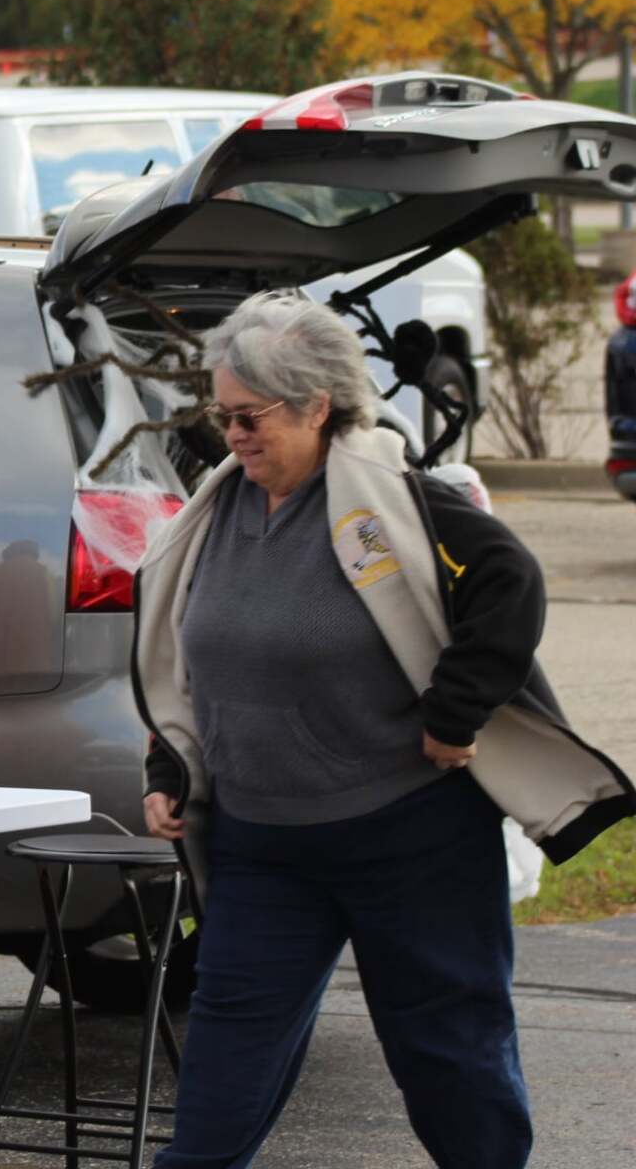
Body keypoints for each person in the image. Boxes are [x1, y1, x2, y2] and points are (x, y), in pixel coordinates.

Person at [136, 290, 634, 1169]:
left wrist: (453, 715)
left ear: (316, 406)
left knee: (448, 1058)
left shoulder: (391, 503)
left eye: (249, 416)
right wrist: (170, 768)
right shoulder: (217, 513)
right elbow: (190, 660)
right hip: (263, 842)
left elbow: (510, 582)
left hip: (413, 836)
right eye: (222, 415)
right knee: (223, 1062)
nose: (233, 435)